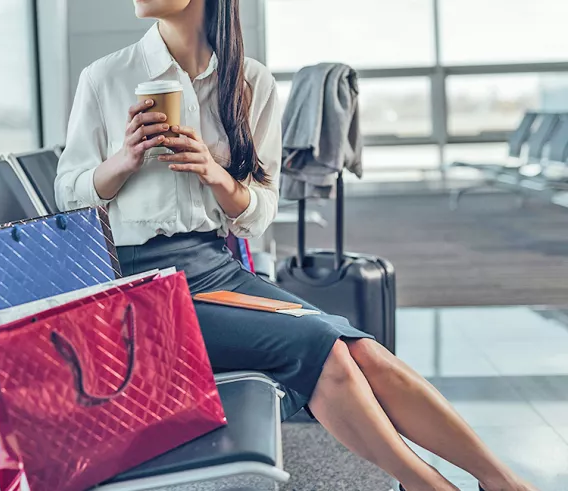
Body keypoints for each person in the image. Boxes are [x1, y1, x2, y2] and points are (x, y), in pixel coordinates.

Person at [55, 1, 535, 490]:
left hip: (214, 266)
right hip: (138, 285)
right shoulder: (106, 77)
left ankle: (502, 481)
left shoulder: (250, 83)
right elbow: (68, 194)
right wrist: (124, 160)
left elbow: (259, 212)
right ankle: (429, 485)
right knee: (319, 347)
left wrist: (217, 176)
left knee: (360, 348)